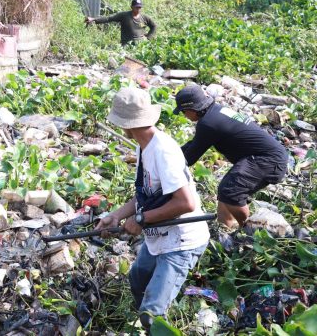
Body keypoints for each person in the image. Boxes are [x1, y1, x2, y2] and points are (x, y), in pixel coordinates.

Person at [96, 87, 209, 329]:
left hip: (181, 242)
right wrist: (115, 216)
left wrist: (141, 219)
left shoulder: (163, 151)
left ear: (126, 124)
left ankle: (155, 325)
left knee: (151, 313)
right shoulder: (143, 145)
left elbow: (185, 203)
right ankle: (148, 326)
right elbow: (148, 195)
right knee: (138, 280)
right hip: (160, 236)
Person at [174, 83, 289, 228]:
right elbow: (195, 143)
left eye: (183, 112)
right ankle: (225, 227)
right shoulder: (216, 112)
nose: (184, 115)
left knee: (231, 191)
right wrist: (171, 152)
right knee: (227, 192)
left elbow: (189, 158)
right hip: (268, 156)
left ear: (192, 109)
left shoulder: (208, 123)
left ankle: (247, 230)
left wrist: (166, 163)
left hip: (268, 160)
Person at [85, 0, 156, 46]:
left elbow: (154, 26)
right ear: (132, 7)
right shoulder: (124, 16)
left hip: (141, 45)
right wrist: (94, 19)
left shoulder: (145, 18)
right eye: (136, 7)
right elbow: (109, 18)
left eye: (140, 7)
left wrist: (148, 37)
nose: (138, 9)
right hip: (127, 45)